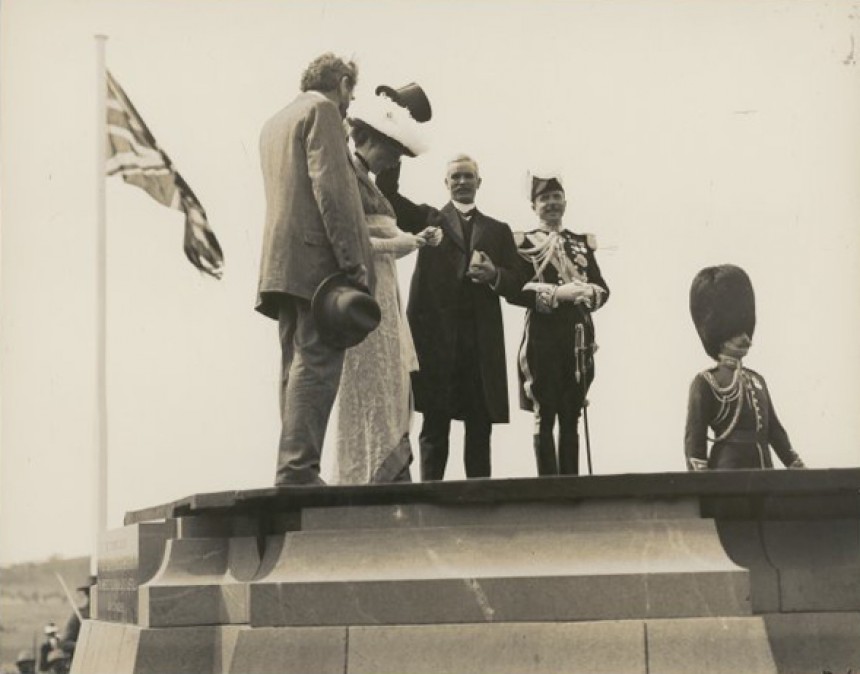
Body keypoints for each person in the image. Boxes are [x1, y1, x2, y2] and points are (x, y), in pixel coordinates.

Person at [255, 53, 376, 486]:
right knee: (317, 361)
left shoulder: (276, 121)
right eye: (352, 93)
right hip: (319, 265)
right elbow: (333, 192)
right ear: (342, 82)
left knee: (294, 364)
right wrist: (353, 263)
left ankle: (293, 464)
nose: (349, 105)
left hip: (282, 262)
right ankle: (298, 468)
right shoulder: (321, 111)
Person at [377, 154, 522, 480]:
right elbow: (387, 193)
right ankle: (429, 501)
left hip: (479, 346)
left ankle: (479, 504)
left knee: (479, 428)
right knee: (434, 426)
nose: (461, 182)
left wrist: (494, 274)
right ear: (446, 183)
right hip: (438, 343)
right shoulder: (430, 219)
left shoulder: (498, 231)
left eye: (468, 176)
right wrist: (397, 146)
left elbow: (517, 282)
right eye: (455, 177)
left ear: (479, 182)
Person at [333, 85, 441, 484]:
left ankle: (387, 470)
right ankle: (367, 472)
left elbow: (385, 240)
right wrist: (408, 240)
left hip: (384, 293)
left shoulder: (370, 182)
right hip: (364, 294)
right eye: (392, 149)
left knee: (389, 382)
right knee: (370, 383)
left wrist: (415, 240)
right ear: (373, 139)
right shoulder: (348, 177)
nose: (395, 159)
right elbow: (356, 241)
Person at [508, 174, 610, 475]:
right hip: (543, 335)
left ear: (564, 202)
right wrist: (554, 293)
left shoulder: (581, 243)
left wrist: (592, 292)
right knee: (546, 410)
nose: (551, 204)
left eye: (556, 197)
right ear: (533, 205)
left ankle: (572, 485)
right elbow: (515, 290)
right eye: (544, 199)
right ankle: (548, 487)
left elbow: (603, 286)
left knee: (571, 412)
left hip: (577, 336)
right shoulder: (524, 242)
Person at [685, 264, 806, 470]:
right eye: (736, 331)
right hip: (728, 473)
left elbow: (774, 431)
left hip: (765, 471)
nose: (746, 338)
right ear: (720, 335)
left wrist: (794, 463)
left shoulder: (757, 380)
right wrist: (703, 482)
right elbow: (695, 441)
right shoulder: (706, 382)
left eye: (745, 330)